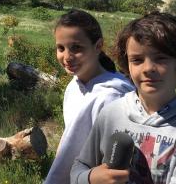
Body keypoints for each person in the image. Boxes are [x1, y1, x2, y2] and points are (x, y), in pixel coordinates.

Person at [70, 12, 176, 184]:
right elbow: (79, 168)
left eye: (161, 58)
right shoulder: (111, 113)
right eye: (137, 60)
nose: (148, 68)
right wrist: (89, 178)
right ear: (128, 65)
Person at [44, 9, 135, 184]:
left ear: (98, 46)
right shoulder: (74, 86)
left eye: (76, 48)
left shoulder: (112, 96)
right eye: (60, 48)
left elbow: (116, 162)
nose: (67, 57)